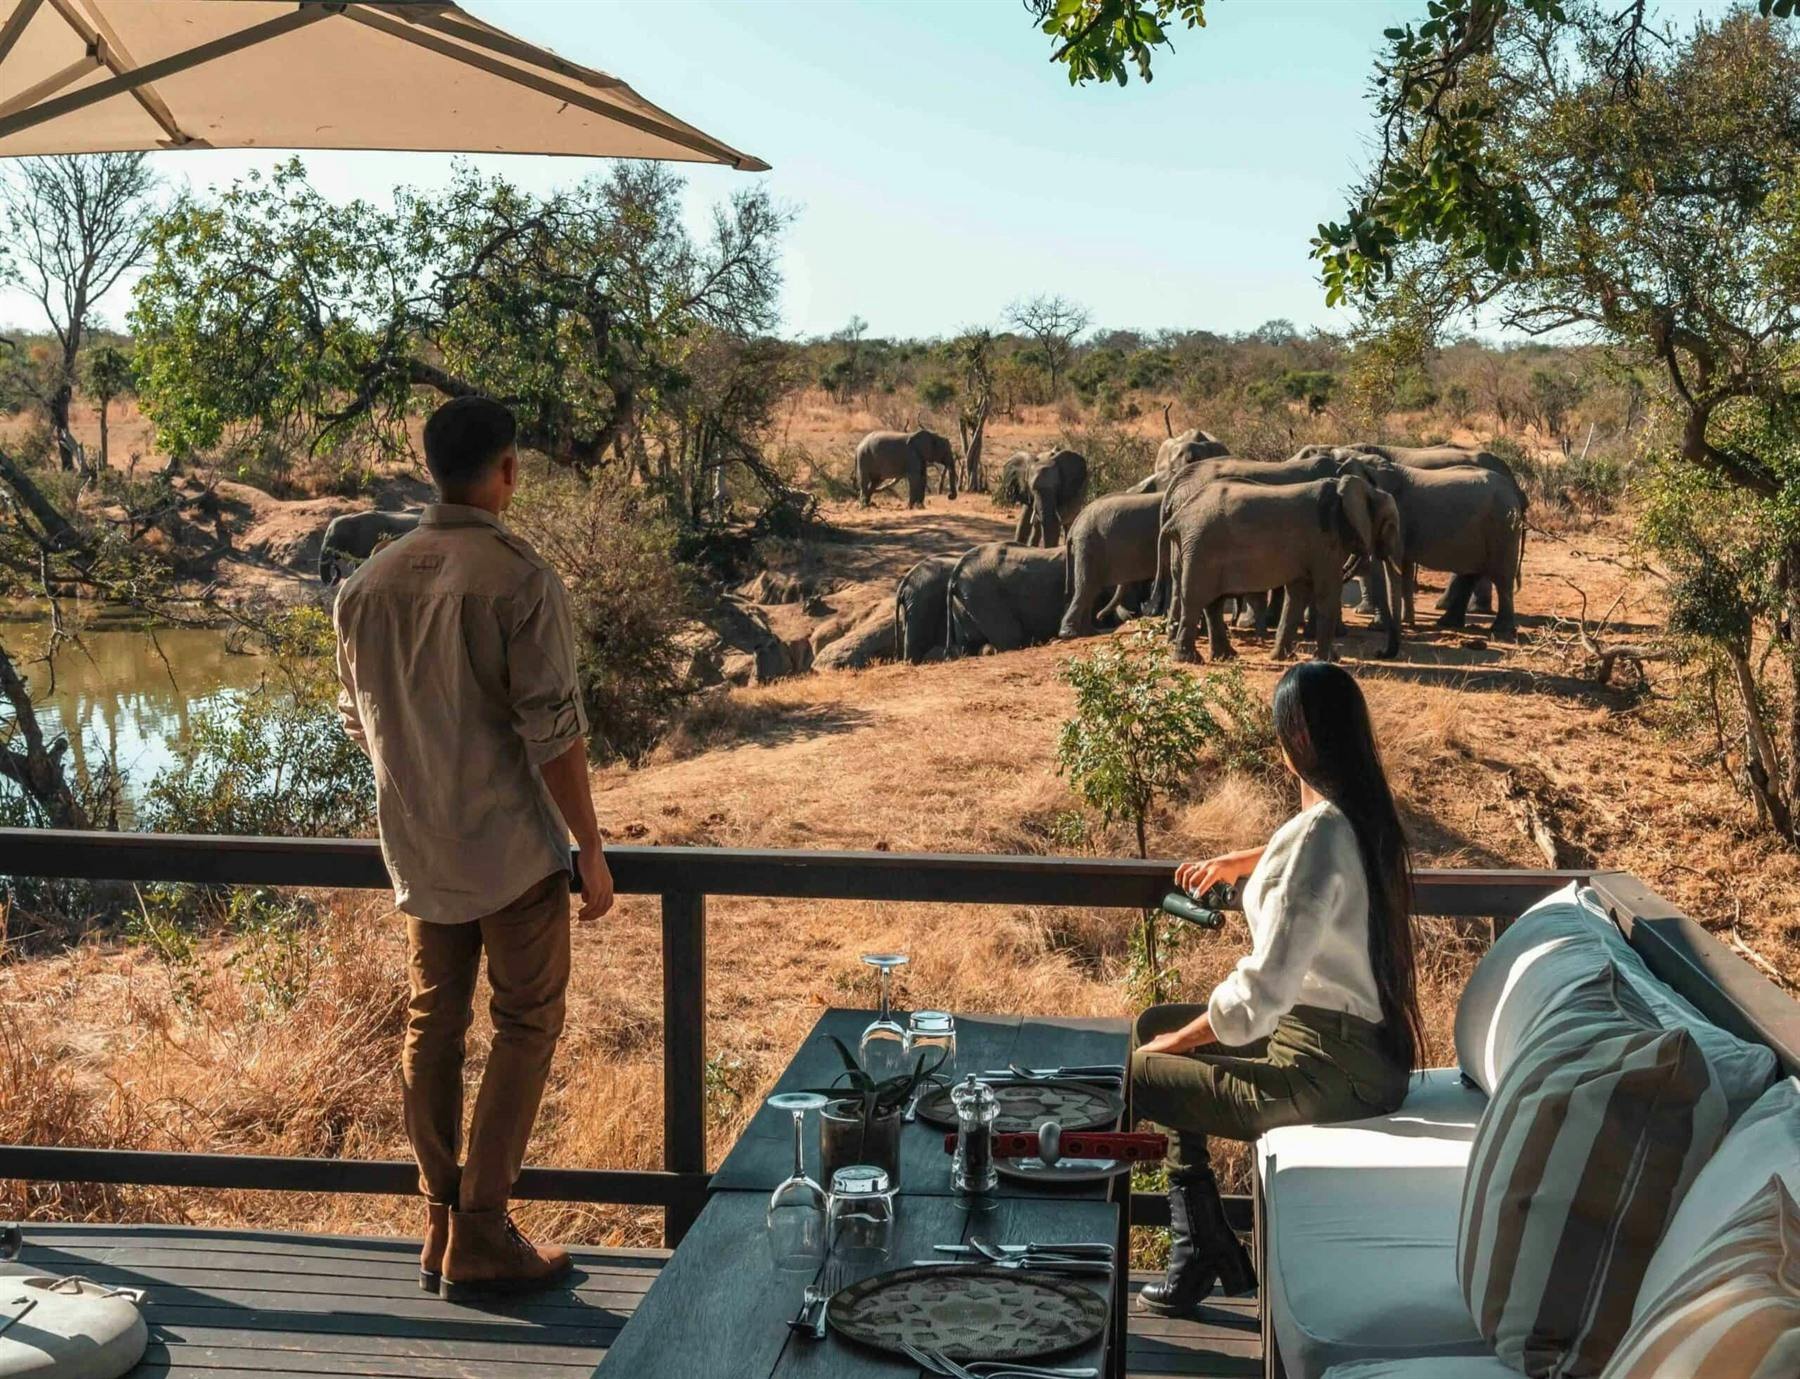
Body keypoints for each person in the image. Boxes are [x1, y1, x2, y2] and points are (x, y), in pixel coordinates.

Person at [333, 396, 614, 1303]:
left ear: (430, 470)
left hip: (418, 852)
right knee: (525, 1025)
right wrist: (593, 849)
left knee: (432, 1026)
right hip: (512, 856)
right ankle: (483, 1230)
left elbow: (360, 722)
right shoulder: (518, 577)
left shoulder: (365, 584)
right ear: (508, 470)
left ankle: (440, 1218)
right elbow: (554, 733)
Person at [1131, 661, 1422, 1317]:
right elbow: (1316, 877)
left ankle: (1197, 1242)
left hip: (1326, 1069)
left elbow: (1264, 990)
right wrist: (1247, 861)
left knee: (1140, 1070)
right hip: (1361, 1055)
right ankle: (1202, 1239)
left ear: (1296, 738)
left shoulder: (1320, 836)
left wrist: (1178, 1043)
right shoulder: (1360, 818)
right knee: (1155, 1024)